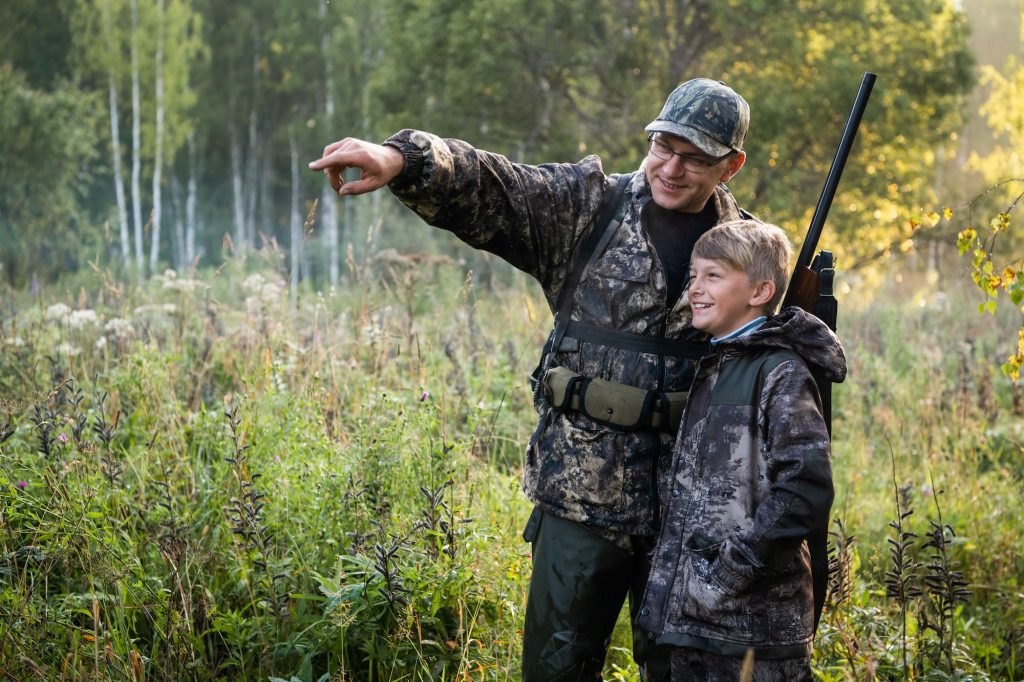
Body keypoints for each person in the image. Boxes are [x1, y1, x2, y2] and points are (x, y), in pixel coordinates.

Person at [309, 78, 755, 680]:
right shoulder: (587, 209)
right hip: (581, 500)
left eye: (695, 158)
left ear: (731, 166)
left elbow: (780, 367)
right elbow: (495, 184)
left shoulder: (750, 252)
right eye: (662, 147)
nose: (671, 169)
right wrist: (404, 159)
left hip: (695, 511)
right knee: (556, 670)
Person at [634, 220, 846, 681]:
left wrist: (729, 572)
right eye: (693, 276)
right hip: (689, 625)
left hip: (749, 631)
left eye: (714, 275)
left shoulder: (780, 372)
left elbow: (805, 486)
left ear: (760, 291)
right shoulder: (714, 365)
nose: (695, 288)